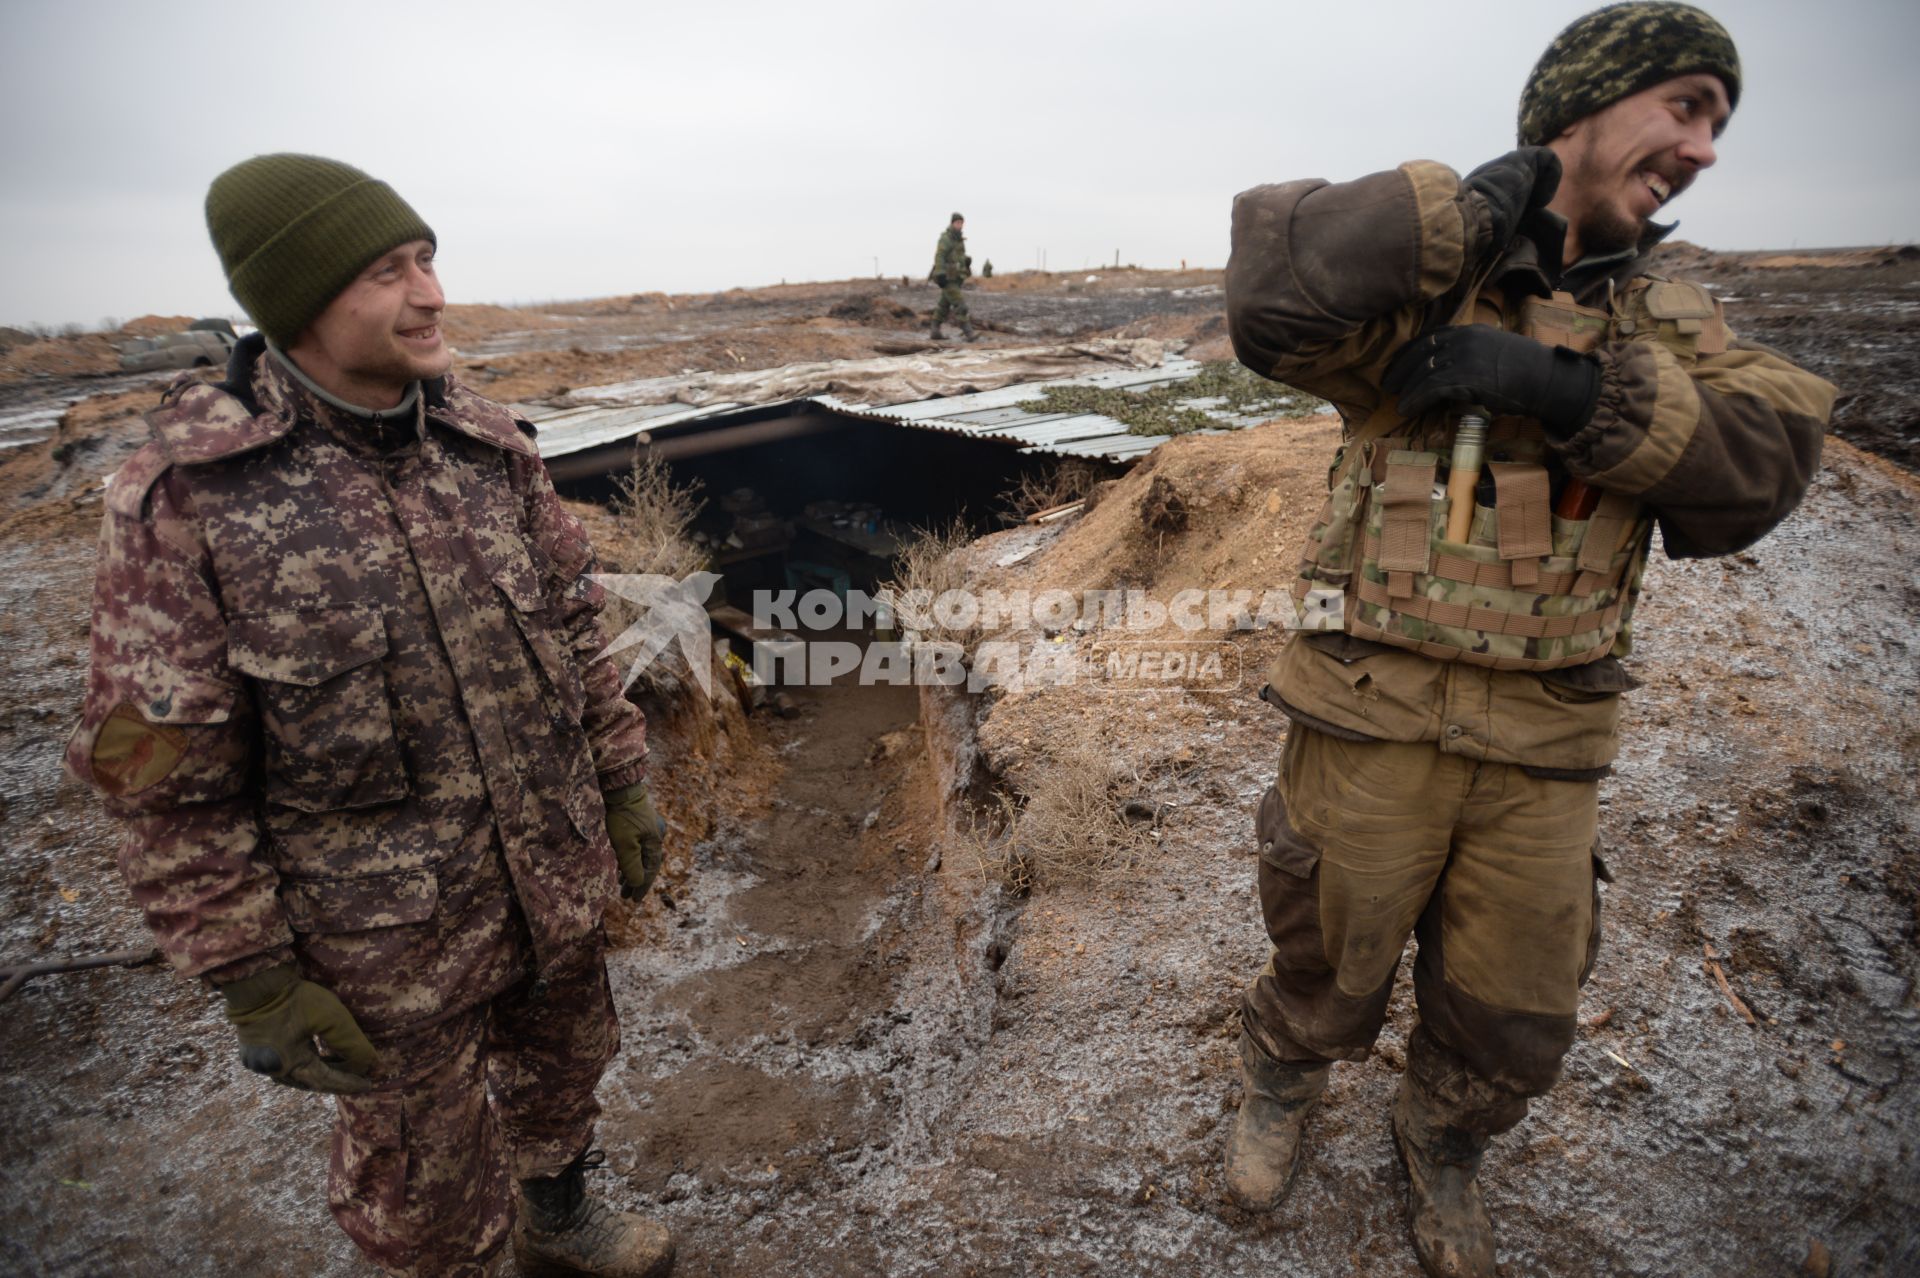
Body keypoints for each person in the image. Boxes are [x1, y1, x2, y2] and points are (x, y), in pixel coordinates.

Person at [1220, 6, 1834, 1276]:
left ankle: (1441, 1143)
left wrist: (1568, 392)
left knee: (1513, 1018)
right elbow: (1273, 284)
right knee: (1328, 961)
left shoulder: (1668, 318)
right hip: (1370, 709)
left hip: (1548, 740)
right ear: (1581, 108)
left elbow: (1769, 461)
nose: (1706, 148)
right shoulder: (1418, 287)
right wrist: (1469, 204)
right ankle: (1283, 1081)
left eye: (1721, 120)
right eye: (1684, 106)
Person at [64, 153, 676, 1278]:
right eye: (388, 272)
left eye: (428, 260)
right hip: (383, 940)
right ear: (297, 300)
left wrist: (624, 784)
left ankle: (562, 1218)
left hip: (548, 870)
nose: (432, 294)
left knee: (564, 1070)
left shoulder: (489, 448)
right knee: (421, 1181)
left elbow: (577, 632)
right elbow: (160, 779)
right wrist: (249, 971)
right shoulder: (192, 497)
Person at [928, 212, 975, 340]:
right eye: (957, 223)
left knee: (944, 305)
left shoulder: (959, 239)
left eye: (961, 223)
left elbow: (957, 257)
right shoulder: (946, 238)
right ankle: (969, 333)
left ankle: (934, 330)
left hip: (957, 277)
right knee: (960, 304)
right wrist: (940, 274)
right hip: (947, 279)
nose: (960, 225)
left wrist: (966, 261)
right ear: (952, 223)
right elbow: (940, 256)